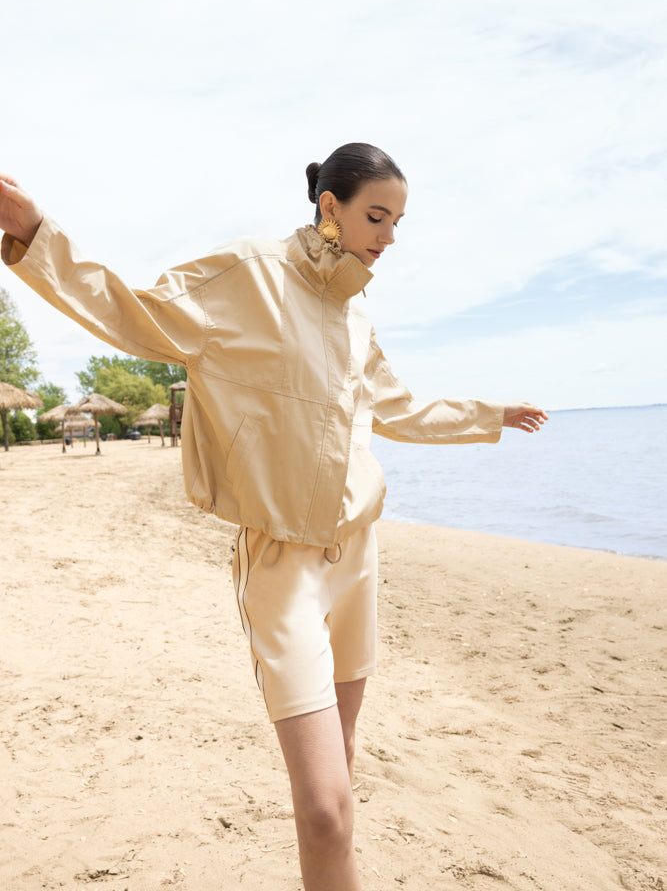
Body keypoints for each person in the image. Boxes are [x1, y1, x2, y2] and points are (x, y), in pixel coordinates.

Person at [0, 143, 547, 891]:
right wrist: (38, 235)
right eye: (375, 217)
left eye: (397, 223)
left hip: (359, 561)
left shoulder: (354, 312)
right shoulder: (247, 275)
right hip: (281, 567)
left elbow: (395, 407)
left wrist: (490, 413)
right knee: (323, 808)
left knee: (342, 783)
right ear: (330, 206)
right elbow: (133, 312)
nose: (387, 238)